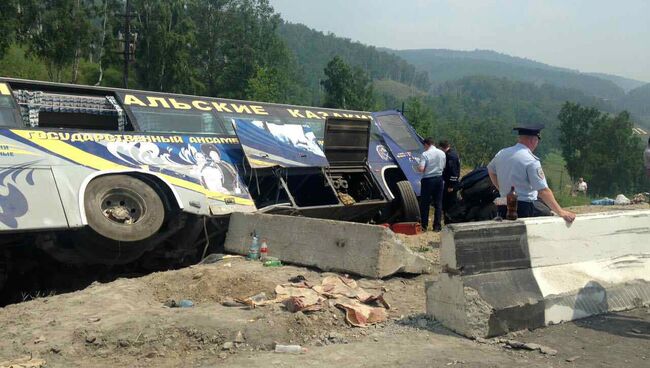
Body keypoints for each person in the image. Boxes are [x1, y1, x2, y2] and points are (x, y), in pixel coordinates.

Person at [487, 125, 576, 222]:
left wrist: (500, 188)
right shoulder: (530, 160)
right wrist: (561, 212)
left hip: (503, 206)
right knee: (548, 214)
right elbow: (543, 191)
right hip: (524, 208)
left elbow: (490, 170)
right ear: (533, 140)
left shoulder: (502, 153)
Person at [417, 137, 446, 231]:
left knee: (425, 203)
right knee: (438, 203)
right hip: (439, 179)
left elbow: (421, 169)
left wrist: (419, 167)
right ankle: (437, 226)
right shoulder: (442, 153)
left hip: (428, 180)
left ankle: (424, 226)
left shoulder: (425, 154)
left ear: (426, 144)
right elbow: (444, 166)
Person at [439, 140, 461, 214]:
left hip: (451, 183)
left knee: (450, 202)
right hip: (449, 182)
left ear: (441, 148)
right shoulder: (452, 153)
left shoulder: (450, 156)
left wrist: (451, 186)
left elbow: (453, 172)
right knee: (447, 201)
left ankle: (451, 216)